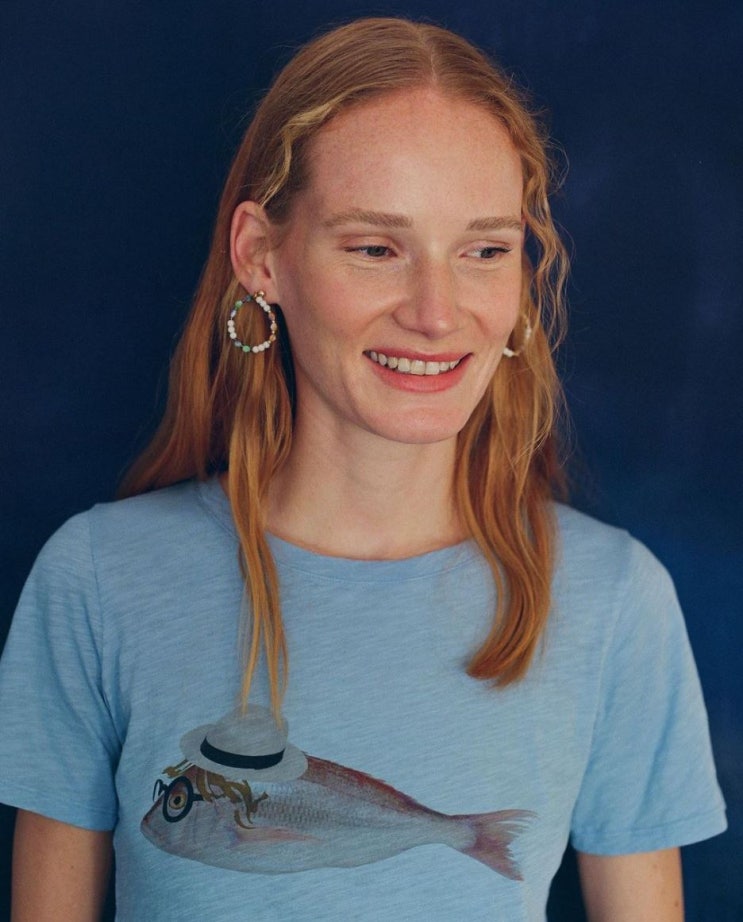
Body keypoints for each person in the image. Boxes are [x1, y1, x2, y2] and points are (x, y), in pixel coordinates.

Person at [0, 17, 726, 922]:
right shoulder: (100, 580)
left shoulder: (613, 598)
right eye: (376, 248)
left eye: (484, 250)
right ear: (260, 257)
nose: (436, 312)